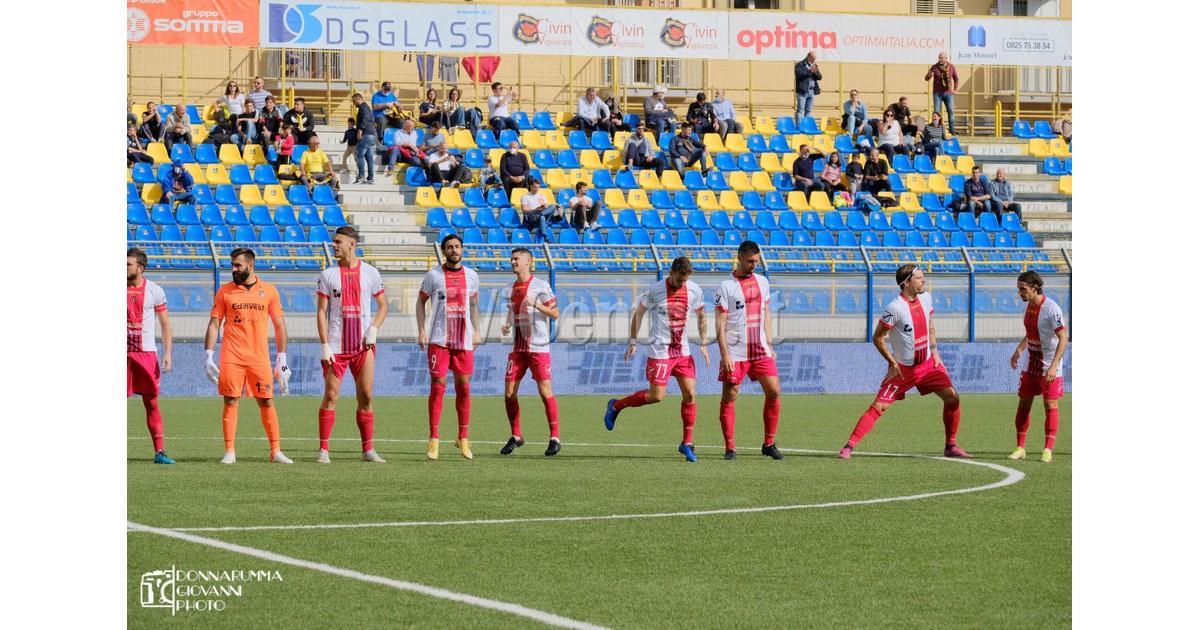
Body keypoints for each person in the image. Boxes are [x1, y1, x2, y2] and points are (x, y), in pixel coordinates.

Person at [838, 264, 970, 460]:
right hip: (903, 370)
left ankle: (950, 446)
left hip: (928, 365)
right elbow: (878, 337)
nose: (924, 280)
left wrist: (935, 352)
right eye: (919, 278)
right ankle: (848, 447)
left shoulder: (926, 298)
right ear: (906, 283)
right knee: (879, 407)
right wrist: (892, 363)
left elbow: (930, 325)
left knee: (952, 397)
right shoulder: (895, 308)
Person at [603, 256, 710, 462]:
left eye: (685, 280)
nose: (682, 284)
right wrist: (633, 341)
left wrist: (704, 343)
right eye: (679, 280)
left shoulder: (694, 290)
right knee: (656, 396)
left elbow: (702, 316)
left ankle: (687, 443)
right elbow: (639, 314)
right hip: (660, 352)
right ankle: (616, 406)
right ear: (671, 273)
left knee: (690, 394)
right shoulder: (655, 290)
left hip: (683, 352)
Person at [204, 247, 293, 465]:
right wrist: (208, 355)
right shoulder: (225, 291)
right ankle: (230, 451)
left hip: (258, 357)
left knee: (266, 400)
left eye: (238, 265)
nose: (233, 269)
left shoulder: (269, 291)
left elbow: (280, 325)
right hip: (231, 355)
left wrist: (282, 359)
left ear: (250, 266)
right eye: (232, 265)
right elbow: (214, 324)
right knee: (230, 399)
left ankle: (275, 451)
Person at [315, 226, 389, 464]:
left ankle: (367, 449)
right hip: (336, 347)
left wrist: (373, 329)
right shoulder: (328, 274)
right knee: (330, 395)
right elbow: (321, 312)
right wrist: (325, 344)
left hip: (362, 347)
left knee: (366, 395)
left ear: (352, 244)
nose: (333, 245)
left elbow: (383, 307)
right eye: (333, 241)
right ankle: (323, 449)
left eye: (338, 242)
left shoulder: (370, 273)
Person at [714, 241, 784, 460]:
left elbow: (766, 313)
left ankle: (769, 443)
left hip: (760, 350)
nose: (754, 265)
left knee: (774, 391)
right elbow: (719, 323)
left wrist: (769, 343)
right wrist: (724, 354)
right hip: (735, 352)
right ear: (739, 258)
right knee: (730, 396)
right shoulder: (726, 286)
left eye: (756, 261)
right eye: (750, 261)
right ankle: (730, 447)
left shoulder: (763, 281)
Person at [416, 234, 481, 460]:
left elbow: (474, 304)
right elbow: (420, 301)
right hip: (439, 340)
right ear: (444, 251)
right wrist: (421, 330)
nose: (454, 250)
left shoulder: (472, 275)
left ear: (462, 249)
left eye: (457, 246)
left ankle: (463, 438)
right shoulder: (433, 275)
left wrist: (477, 331)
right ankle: (434, 439)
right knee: (438, 386)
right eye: (450, 247)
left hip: (463, 341)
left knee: (464, 388)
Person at [499, 248, 562, 456]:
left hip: (538, 348)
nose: (512, 262)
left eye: (516, 259)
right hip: (517, 349)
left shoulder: (541, 286)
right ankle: (516, 435)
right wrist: (507, 324)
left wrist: (536, 304)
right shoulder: (510, 288)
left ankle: (554, 438)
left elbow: (555, 313)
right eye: (511, 259)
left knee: (545, 392)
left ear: (528, 261)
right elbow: (512, 312)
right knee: (509, 393)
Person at [1008, 270, 1068, 464]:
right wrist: (1019, 350)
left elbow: (1063, 337)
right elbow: (1031, 334)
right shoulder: (1027, 307)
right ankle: (1020, 448)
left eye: (1022, 289)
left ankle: (1047, 450)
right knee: (1024, 404)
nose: (1019, 293)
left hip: (1049, 364)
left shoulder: (1052, 308)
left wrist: (1054, 366)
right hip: (1030, 364)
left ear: (1034, 288)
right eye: (1019, 289)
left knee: (1050, 405)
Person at [127, 247, 174, 465]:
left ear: (141, 268)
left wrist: (168, 352)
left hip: (146, 354)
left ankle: (159, 452)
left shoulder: (155, 290)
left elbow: (165, 324)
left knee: (151, 403)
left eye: (128, 264)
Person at [925, 52, 959, 135]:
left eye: (941, 58)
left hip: (948, 93)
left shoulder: (951, 67)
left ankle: (952, 130)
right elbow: (926, 78)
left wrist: (955, 89)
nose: (940, 59)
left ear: (946, 58)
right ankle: (936, 130)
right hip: (937, 94)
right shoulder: (934, 67)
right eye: (939, 57)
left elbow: (956, 79)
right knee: (936, 113)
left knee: (951, 112)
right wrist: (929, 75)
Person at [520, 179, 561, 243]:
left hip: (541, 213)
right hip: (532, 216)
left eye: (538, 187)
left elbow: (547, 206)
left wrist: (545, 206)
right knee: (542, 217)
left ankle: (540, 214)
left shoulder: (542, 196)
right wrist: (536, 209)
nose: (537, 189)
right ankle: (545, 236)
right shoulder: (525, 196)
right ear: (531, 186)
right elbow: (524, 210)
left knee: (553, 206)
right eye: (535, 187)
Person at [352, 92, 377, 185]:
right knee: (369, 157)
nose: (354, 104)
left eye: (354, 101)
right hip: (372, 134)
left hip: (366, 134)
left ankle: (361, 176)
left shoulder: (363, 107)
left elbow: (365, 118)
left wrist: (360, 130)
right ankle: (370, 177)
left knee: (360, 154)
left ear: (359, 99)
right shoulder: (367, 107)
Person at [794, 51, 822, 121]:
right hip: (803, 91)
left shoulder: (814, 65)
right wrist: (810, 71)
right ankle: (799, 125)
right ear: (808, 57)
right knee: (800, 110)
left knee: (808, 111)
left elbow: (820, 77)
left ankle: (806, 125)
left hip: (811, 90)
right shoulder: (800, 64)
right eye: (812, 59)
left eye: (814, 59)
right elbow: (799, 74)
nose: (813, 60)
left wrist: (816, 73)